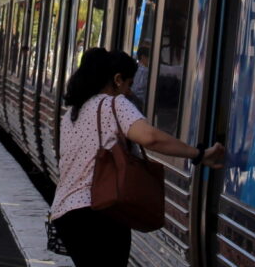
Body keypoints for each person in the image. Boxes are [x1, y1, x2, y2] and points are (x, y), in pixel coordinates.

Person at [49, 48, 225, 267]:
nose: (129, 92)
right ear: (117, 79)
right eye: (129, 84)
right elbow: (150, 138)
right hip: (103, 212)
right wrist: (198, 154)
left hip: (67, 215)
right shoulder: (114, 103)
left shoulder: (72, 114)